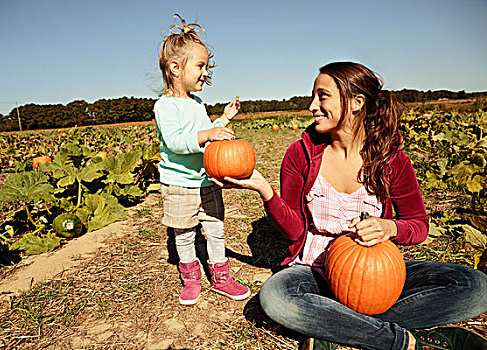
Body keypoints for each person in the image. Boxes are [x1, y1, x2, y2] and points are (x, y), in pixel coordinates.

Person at [212, 62, 487, 349]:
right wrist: (266, 191)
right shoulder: (301, 155)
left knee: (477, 288)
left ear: (356, 102)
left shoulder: (392, 160)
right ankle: (397, 341)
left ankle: (332, 324)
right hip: (313, 270)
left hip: (376, 274)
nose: (311, 106)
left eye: (323, 96)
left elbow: (418, 225)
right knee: (276, 297)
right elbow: (294, 232)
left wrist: (389, 227)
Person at [153, 14, 250, 306]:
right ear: (175, 68)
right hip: (179, 183)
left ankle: (221, 277)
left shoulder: (197, 104)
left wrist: (223, 119)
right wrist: (208, 134)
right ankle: (191, 278)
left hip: (206, 178)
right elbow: (178, 142)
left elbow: (204, 132)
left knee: (215, 226)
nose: (205, 72)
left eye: (206, 66)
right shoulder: (165, 106)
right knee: (183, 233)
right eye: (200, 66)